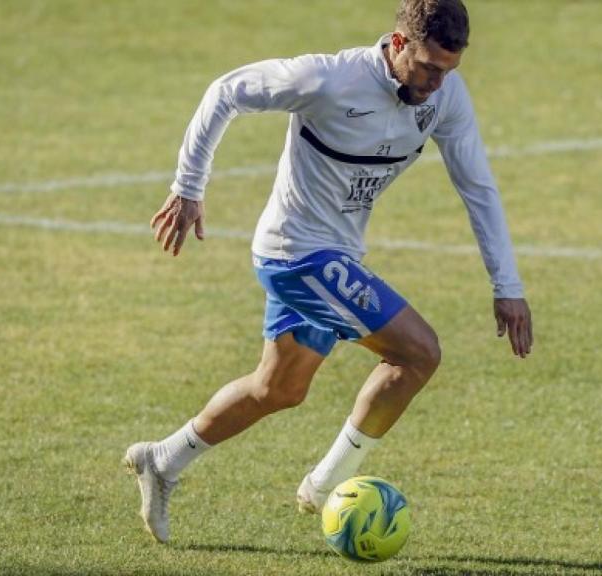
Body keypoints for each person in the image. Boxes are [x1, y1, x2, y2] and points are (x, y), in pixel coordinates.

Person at [123, 0, 533, 543]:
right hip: (298, 254)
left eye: (449, 70)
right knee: (418, 353)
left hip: (335, 256)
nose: (437, 83)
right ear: (397, 44)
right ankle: (324, 488)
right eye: (429, 67)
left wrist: (508, 286)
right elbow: (226, 91)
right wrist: (188, 187)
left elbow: (477, 186)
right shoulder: (328, 79)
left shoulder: (445, 97)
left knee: (279, 389)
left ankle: (162, 459)